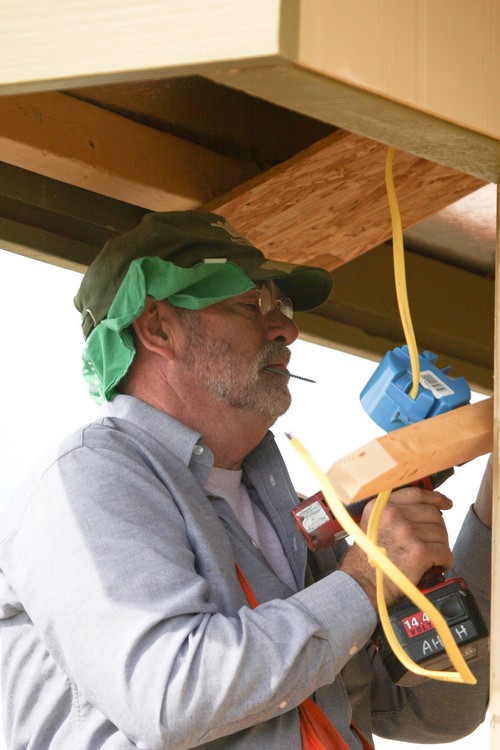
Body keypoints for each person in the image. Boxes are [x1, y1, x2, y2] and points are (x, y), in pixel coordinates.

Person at [0, 211, 491, 749]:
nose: (287, 328)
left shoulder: (293, 517)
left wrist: (478, 521)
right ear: (157, 326)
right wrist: (364, 580)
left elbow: (437, 709)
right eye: (251, 304)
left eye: (281, 306)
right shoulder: (88, 479)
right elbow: (173, 697)